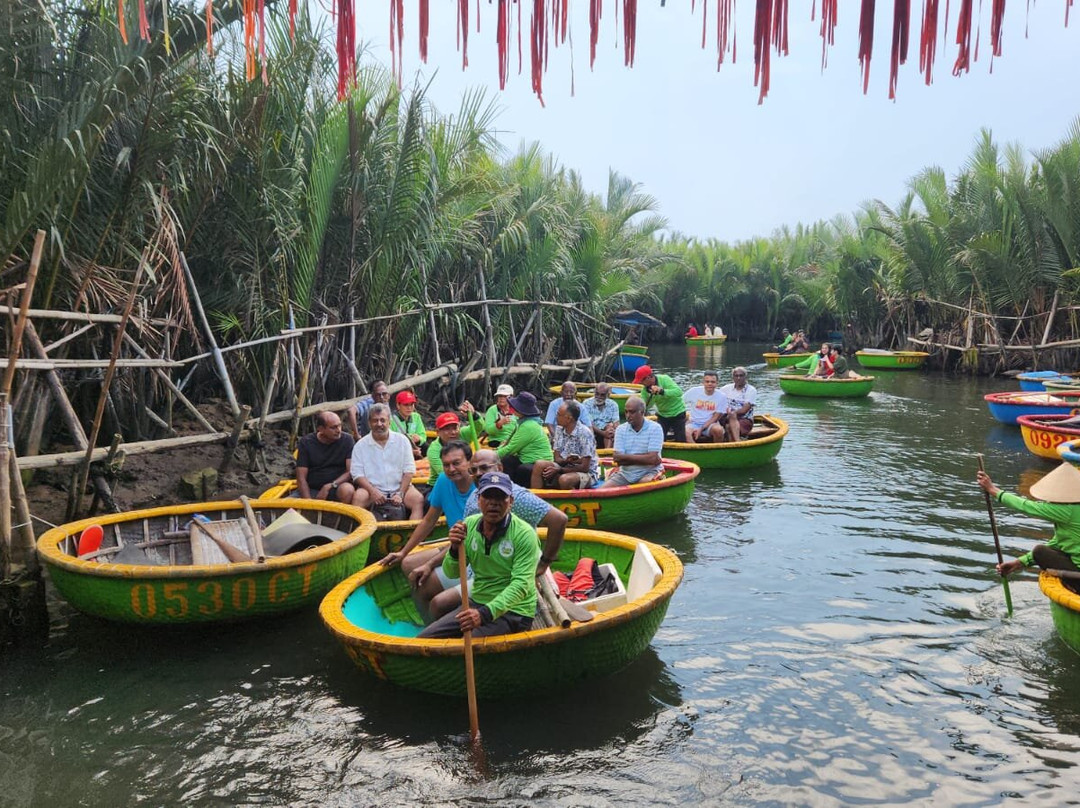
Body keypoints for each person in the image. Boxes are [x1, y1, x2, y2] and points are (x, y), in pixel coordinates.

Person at [405, 449, 568, 618]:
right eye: (473, 470)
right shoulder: (476, 495)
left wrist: (544, 563)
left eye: (484, 468)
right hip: (477, 566)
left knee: (439, 604)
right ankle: (434, 635)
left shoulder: (516, 496)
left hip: (500, 574)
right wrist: (430, 564)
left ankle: (449, 635)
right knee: (421, 585)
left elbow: (559, 520)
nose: (478, 474)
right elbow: (464, 540)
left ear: (499, 468)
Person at [417, 472, 540, 639]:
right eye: (488, 497)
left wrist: (484, 614)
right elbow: (452, 572)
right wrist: (454, 548)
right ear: (478, 500)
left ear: (510, 502)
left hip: (514, 610)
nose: (493, 504)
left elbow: (520, 585)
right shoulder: (469, 525)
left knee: (465, 645)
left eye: (500, 498)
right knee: (425, 640)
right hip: (478, 601)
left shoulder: (524, 534)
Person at [978, 463, 1080, 594]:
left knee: (1040, 551)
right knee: (1048, 549)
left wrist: (993, 490)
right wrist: (1019, 563)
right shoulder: (1071, 513)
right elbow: (1057, 543)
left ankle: (1075, 588)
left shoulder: (1069, 511)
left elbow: (1026, 506)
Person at [379, 440, 475, 574]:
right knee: (407, 563)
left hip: (474, 548)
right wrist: (403, 552)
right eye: (446, 465)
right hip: (454, 544)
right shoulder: (443, 480)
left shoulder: (480, 487)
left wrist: (430, 564)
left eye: (456, 463)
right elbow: (428, 521)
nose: (451, 469)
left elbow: (471, 539)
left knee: (431, 584)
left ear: (469, 462)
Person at [350, 403, 425, 519]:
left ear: (389, 422)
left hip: (400, 487)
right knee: (358, 498)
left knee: (418, 499)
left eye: (382, 420)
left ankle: (413, 535)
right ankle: (361, 534)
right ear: (369, 423)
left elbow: (409, 470)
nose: (379, 424)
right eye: (375, 421)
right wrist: (373, 491)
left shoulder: (402, 441)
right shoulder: (360, 445)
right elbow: (357, 474)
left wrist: (400, 493)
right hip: (371, 489)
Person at [532, 401, 599, 489]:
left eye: (559, 415)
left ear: (568, 419)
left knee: (564, 480)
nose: (556, 417)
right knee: (539, 464)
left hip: (587, 473)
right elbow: (557, 458)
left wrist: (560, 470)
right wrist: (566, 461)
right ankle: (536, 498)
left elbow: (585, 467)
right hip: (565, 465)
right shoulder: (559, 429)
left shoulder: (585, 433)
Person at [600, 395, 664, 488]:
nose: (628, 415)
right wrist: (646, 458)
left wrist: (625, 458)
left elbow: (653, 459)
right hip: (625, 474)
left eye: (632, 412)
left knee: (644, 484)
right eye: (626, 412)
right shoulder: (620, 429)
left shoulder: (655, 428)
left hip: (649, 472)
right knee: (602, 491)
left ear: (642, 412)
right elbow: (618, 460)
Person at [295, 411, 356, 503]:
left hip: (337, 486)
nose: (338, 430)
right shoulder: (306, 442)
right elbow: (301, 477)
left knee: (347, 490)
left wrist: (329, 486)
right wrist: (308, 503)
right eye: (333, 427)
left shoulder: (347, 440)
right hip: (312, 489)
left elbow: (350, 472)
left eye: (339, 425)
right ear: (321, 429)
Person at [497, 391, 554, 486]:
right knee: (508, 460)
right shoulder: (523, 422)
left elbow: (510, 449)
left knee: (522, 469)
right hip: (526, 459)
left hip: (538, 463)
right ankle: (508, 486)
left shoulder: (528, 426)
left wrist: (491, 456)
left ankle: (515, 490)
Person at [633, 364, 687, 443]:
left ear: (648, 378)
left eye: (641, 381)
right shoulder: (645, 390)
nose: (641, 383)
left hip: (677, 412)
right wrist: (650, 395)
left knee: (680, 439)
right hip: (663, 415)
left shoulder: (664, 379)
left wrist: (662, 391)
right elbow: (646, 406)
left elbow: (678, 392)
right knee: (659, 439)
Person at [425, 410, 479, 485]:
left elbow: (478, 428)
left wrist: (474, 415)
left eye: (454, 428)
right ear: (438, 432)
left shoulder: (462, 434)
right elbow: (445, 473)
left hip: (465, 479)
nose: (453, 432)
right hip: (440, 485)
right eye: (447, 429)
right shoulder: (434, 450)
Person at [683, 371, 729, 443]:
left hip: (711, 424)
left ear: (717, 383)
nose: (709, 384)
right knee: (685, 432)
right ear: (703, 382)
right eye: (707, 381)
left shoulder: (722, 396)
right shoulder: (694, 391)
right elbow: (680, 403)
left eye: (712, 382)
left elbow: (715, 417)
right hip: (694, 422)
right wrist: (684, 419)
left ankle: (716, 452)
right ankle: (696, 451)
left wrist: (701, 429)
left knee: (719, 430)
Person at [719, 367, 757, 442]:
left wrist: (730, 413)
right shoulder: (726, 388)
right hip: (726, 416)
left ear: (745, 377)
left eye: (741, 375)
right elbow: (715, 398)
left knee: (729, 427)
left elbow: (744, 410)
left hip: (744, 419)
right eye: (736, 376)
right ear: (733, 377)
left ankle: (735, 444)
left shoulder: (751, 390)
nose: (738, 378)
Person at [582, 382, 620, 449]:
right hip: (592, 431)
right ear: (594, 392)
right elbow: (589, 424)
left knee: (610, 427)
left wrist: (616, 432)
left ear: (608, 395)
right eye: (597, 394)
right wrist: (603, 433)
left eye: (602, 395)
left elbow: (616, 422)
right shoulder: (586, 403)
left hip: (607, 432)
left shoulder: (613, 405)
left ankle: (607, 453)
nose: (599, 397)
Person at [390, 390, 427, 459]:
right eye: (406, 405)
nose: (409, 408)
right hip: (399, 450)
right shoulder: (391, 420)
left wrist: (419, 439)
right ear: (398, 405)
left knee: (425, 446)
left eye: (411, 404)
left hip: (415, 446)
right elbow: (391, 442)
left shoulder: (416, 417)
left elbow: (423, 435)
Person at [484, 383, 518, 447]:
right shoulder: (492, 410)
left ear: (511, 397)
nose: (501, 398)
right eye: (500, 396)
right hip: (497, 441)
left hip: (514, 441)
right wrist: (499, 424)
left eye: (505, 396)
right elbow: (488, 430)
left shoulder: (517, 410)